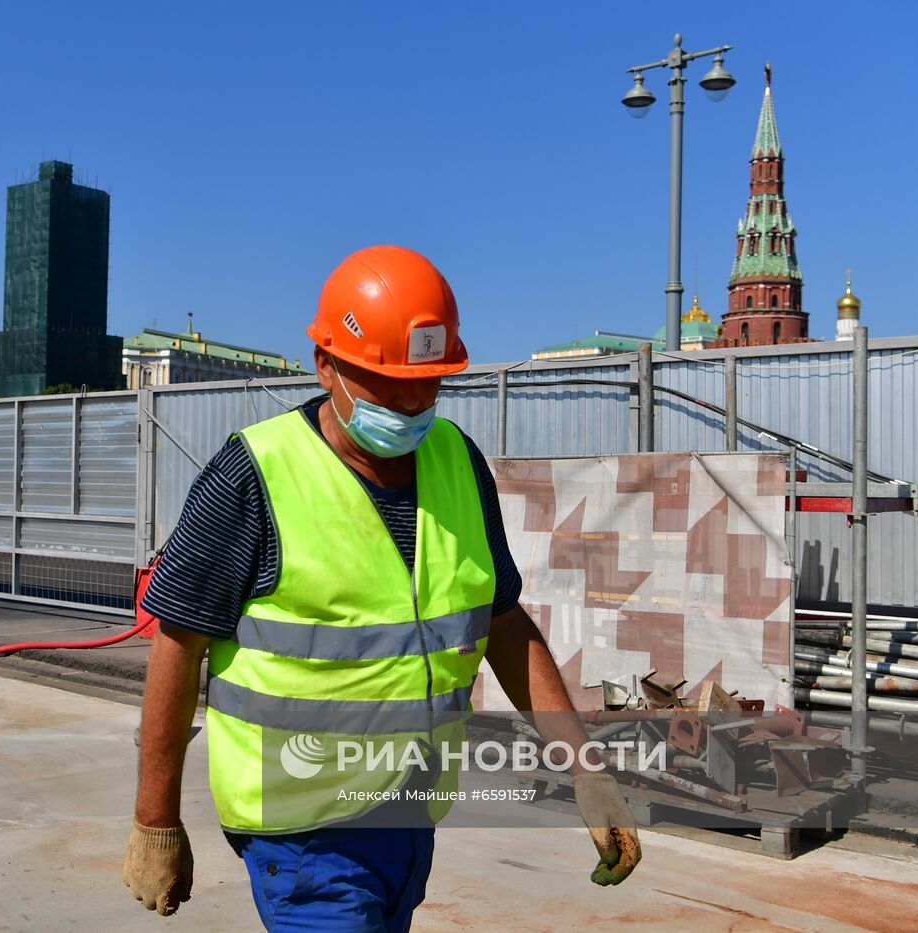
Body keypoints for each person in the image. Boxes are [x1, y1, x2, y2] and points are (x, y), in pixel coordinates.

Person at [122, 246, 641, 930]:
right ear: (326, 366)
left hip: (408, 818)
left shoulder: (457, 461)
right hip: (302, 831)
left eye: (430, 380)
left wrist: (585, 771)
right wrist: (155, 821)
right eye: (385, 381)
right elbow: (178, 644)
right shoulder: (255, 474)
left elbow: (504, 625)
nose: (412, 400)